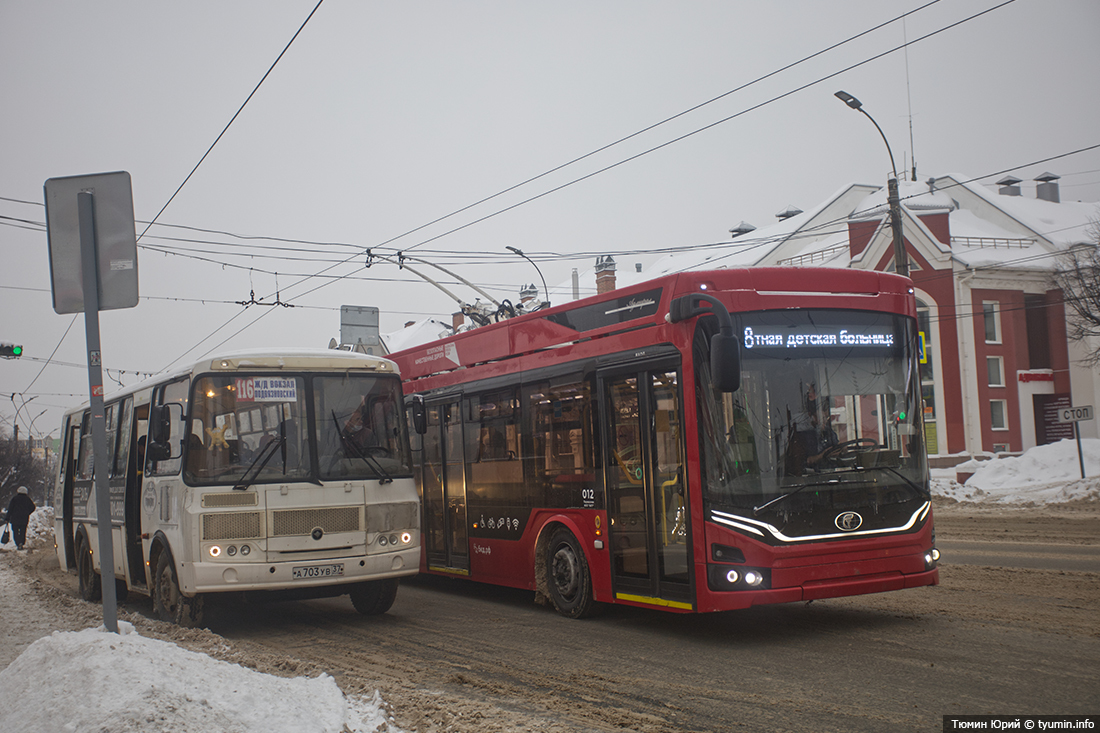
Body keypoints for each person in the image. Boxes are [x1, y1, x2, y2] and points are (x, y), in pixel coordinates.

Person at [3, 486, 37, 550]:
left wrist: (7, 518)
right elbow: (33, 507)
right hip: (24, 518)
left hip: (15, 518)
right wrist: (27, 513)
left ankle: (18, 543)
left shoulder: (14, 499)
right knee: (23, 531)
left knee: (15, 531)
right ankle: (22, 542)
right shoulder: (27, 499)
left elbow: (10, 509)